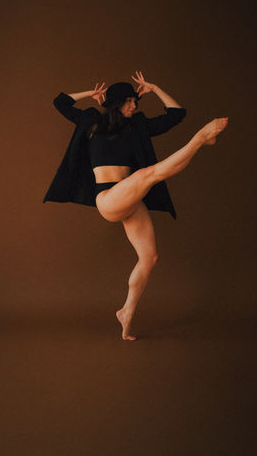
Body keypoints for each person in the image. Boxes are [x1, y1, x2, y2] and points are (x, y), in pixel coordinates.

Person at [44, 71, 228, 340]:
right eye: (129, 101)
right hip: (108, 198)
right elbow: (60, 102)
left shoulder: (138, 126)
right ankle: (201, 138)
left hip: (131, 200)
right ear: (116, 103)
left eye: (135, 101)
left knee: (149, 258)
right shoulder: (91, 121)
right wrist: (91, 94)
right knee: (148, 174)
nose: (134, 105)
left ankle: (126, 311)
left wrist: (156, 88)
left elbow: (176, 114)